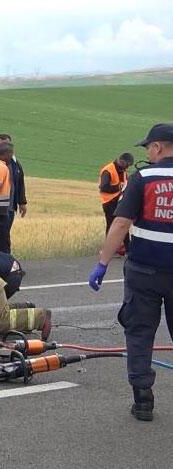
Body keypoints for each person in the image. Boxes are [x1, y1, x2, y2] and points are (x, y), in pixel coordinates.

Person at [88, 123, 173, 422]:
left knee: (139, 333)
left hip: (144, 272)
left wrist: (102, 263)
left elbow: (121, 223)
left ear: (159, 148)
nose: (147, 152)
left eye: (148, 147)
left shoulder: (143, 178)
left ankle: (143, 401)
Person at [0, 133, 27, 231]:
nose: (0, 148)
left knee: (3, 235)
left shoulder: (15, 163)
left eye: (4, 145)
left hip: (9, 207)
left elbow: (19, 183)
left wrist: (22, 203)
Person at [99, 152, 134, 255]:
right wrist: (119, 187)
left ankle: (127, 249)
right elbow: (104, 187)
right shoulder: (108, 170)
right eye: (126, 165)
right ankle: (109, 250)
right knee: (111, 226)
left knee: (124, 224)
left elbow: (126, 184)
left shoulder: (122, 171)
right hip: (109, 202)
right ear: (121, 161)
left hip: (119, 201)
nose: (127, 167)